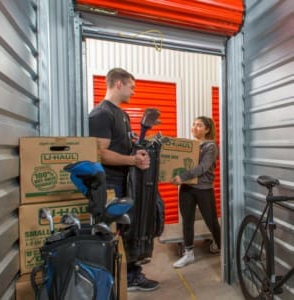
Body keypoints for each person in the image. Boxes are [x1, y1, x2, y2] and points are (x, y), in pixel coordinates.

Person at [88, 67, 160, 291]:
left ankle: (129, 274)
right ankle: (117, 279)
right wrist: (132, 161)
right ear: (118, 84)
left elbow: (125, 147)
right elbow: (99, 153)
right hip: (109, 185)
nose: (133, 92)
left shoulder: (122, 114)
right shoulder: (102, 114)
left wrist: (139, 152)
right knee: (113, 233)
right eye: (131, 86)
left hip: (126, 182)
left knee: (129, 229)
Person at [171, 116, 221, 268]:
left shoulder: (211, 147)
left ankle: (224, 249)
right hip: (187, 188)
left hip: (204, 190)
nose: (194, 127)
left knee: (211, 221)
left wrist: (183, 176)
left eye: (199, 125)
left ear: (207, 129)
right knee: (187, 220)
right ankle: (188, 254)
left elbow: (202, 168)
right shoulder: (190, 146)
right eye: (194, 124)